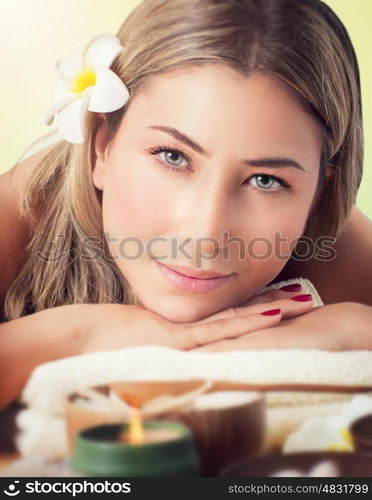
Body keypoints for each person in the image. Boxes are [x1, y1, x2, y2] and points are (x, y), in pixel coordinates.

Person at [1, 0, 372, 412]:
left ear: (319, 192)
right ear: (101, 149)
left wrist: (352, 331)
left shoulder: (331, 248)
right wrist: (76, 336)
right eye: (173, 156)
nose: (205, 236)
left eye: (265, 180)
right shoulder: (18, 213)